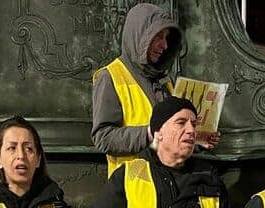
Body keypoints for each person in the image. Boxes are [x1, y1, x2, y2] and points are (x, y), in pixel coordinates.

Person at [88, 96, 241, 208]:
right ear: (158, 132)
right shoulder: (127, 176)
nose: (191, 130)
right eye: (181, 123)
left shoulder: (209, 178)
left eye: (194, 124)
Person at [91, 3, 218, 177]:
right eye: (158, 37)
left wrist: (196, 140)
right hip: (134, 184)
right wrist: (149, 133)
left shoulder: (165, 80)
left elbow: (169, 136)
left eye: (166, 38)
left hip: (169, 181)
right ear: (140, 36)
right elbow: (103, 137)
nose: (164, 45)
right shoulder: (110, 77)